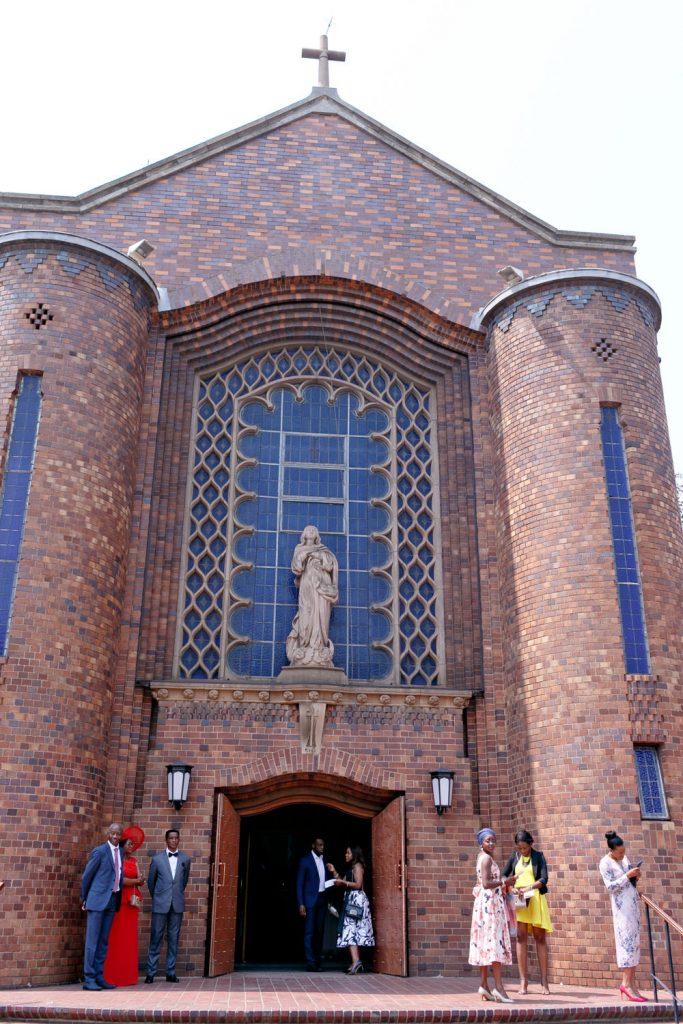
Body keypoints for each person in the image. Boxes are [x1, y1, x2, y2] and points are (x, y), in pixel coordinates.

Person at [502, 830, 553, 994]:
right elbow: (503, 876)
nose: (523, 851)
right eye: (520, 848)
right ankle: (523, 981)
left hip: (535, 899)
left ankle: (544, 981)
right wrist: (511, 887)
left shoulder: (539, 856)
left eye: (525, 848)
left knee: (540, 938)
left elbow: (544, 878)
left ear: (531, 844)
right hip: (520, 900)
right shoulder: (514, 857)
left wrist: (529, 888)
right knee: (521, 937)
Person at [599, 830, 646, 1001]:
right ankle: (625, 984)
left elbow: (629, 881)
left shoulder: (624, 859)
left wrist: (636, 875)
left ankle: (632, 984)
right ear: (611, 850)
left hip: (632, 905)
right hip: (621, 910)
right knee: (626, 944)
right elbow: (610, 887)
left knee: (634, 944)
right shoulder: (605, 863)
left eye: (623, 851)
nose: (622, 855)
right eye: (619, 852)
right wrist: (627, 875)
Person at [469, 828, 514, 1003]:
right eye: (488, 840)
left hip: (485, 904)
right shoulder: (486, 859)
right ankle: (499, 988)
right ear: (481, 842)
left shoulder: (482, 857)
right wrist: (505, 882)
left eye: (493, 840)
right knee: (494, 943)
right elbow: (487, 883)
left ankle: (484, 985)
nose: (492, 843)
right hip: (490, 905)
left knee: (485, 943)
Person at [286, 525, 339, 668]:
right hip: (307, 585)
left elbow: (330, 565)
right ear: (304, 535)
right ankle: (304, 645)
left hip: (322, 585)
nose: (311, 531)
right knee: (306, 613)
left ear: (317, 535)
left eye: (313, 530)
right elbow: (296, 568)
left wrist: (319, 556)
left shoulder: (323, 550)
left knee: (321, 614)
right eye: (308, 530)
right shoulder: (299, 549)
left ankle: (318, 646)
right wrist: (304, 555)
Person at [80, 822, 124, 991]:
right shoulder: (99, 851)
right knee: (92, 941)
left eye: (118, 834)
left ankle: (99, 976)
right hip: (97, 901)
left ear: (121, 836)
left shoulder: (120, 852)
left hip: (112, 900)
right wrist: (85, 898)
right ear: (108, 833)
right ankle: (89, 978)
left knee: (103, 942)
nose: (115, 836)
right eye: (113, 833)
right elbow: (87, 876)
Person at [145, 829, 191, 983]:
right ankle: (151, 972)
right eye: (171, 838)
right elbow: (151, 882)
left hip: (176, 903)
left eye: (176, 838)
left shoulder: (185, 859)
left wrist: (175, 895)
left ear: (179, 840)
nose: (174, 840)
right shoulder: (157, 859)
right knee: (156, 937)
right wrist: (158, 897)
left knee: (173, 938)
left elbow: (183, 882)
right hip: (160, 903)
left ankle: (170, 972)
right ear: (166, 840)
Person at [103, 826, 145, 986]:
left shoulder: (134, 861)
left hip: (132, 903)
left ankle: (128, 976)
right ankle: (114, 975)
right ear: (122, 844)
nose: (131, 846)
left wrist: (140, 880)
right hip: (120, 901)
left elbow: (139, 878)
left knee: (129, 939)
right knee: (117, 937)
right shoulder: (117, 858)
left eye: (133, 844)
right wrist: (135, 881)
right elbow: (119, 879)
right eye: (129, 844)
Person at [328, 845, 375, 974]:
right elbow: (341, 881)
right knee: (352, 930)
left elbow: (358, 885)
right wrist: (333, 871)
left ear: (354, 854)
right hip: (351, 900)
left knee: (351, 930)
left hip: (356, 901)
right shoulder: (352, 867)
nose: (346, 855)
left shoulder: (357, 866)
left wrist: (344, 883)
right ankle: (356, 961)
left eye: (348, 853)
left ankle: (356, 962)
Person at [297, 836, 336, 971]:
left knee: (320, 931)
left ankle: (318, 961)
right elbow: (299, 884)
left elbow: (327, 880)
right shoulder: (305, 861)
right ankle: (310, 962)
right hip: (309, 901)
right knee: (309, 932)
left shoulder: (325, 860)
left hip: (322, 899)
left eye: (323, 845)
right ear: (313, 845)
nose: (322, 847)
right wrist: (301, 903)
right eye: (319, 845)